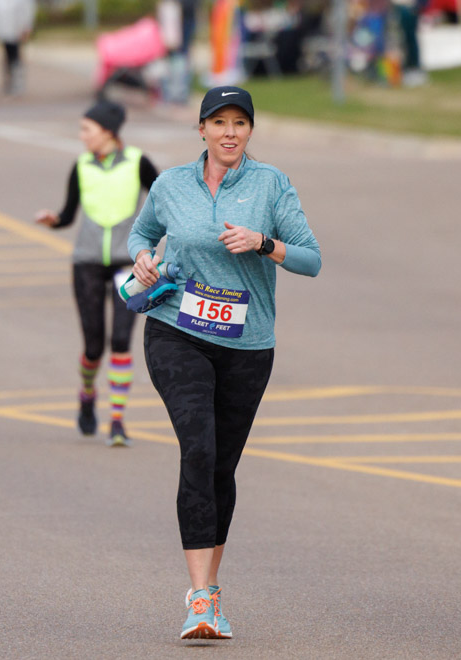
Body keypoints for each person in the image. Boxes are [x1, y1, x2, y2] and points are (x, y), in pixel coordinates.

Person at [126, 86, 321, 640]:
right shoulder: (170, 185)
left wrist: (264, 243)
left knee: (221, 467)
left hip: (247, 343)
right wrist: (142, 257)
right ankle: (200, 599)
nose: (230, 132)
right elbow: (142, 234)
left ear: (250, 131)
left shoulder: (272, 185)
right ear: (202, 130)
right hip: (176, 330)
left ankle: (211, 586)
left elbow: (311, 259)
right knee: (199, 446)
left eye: (240, 122)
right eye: (219, 122)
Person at [33, 101, 159, 447]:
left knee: (120, 340)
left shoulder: (137, 162)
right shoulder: (81, 166)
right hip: (87, 262)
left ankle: (117, 420)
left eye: (86, 129)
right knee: (93, 347)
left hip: (127, 264)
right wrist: (53, 220)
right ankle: (87, 392)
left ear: (108, 131)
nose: (82, 136)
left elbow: (165, 199)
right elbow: (69, 213)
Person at [0, 0, 35, 95]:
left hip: (16, 30)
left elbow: (27, 9)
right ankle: (9, 80)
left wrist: (26, 27)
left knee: (16, 56)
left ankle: (18, 82)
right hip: (4, 31)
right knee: (7, 56)